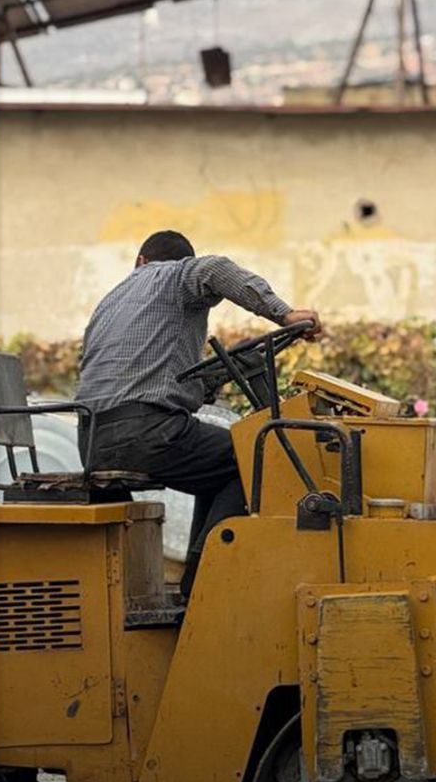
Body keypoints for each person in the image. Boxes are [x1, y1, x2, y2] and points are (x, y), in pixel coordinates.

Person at [76, 229, 322, 598]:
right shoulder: (175, 275)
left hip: (92, 439)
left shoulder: (111, 301)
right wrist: (283, 313)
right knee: (257, 459)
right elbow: (213, 269)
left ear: (140, 260)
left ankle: (197, 578)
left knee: (218, 468)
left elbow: (157, 376)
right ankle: (206, 584)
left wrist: (221, 372)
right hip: (147, 432)